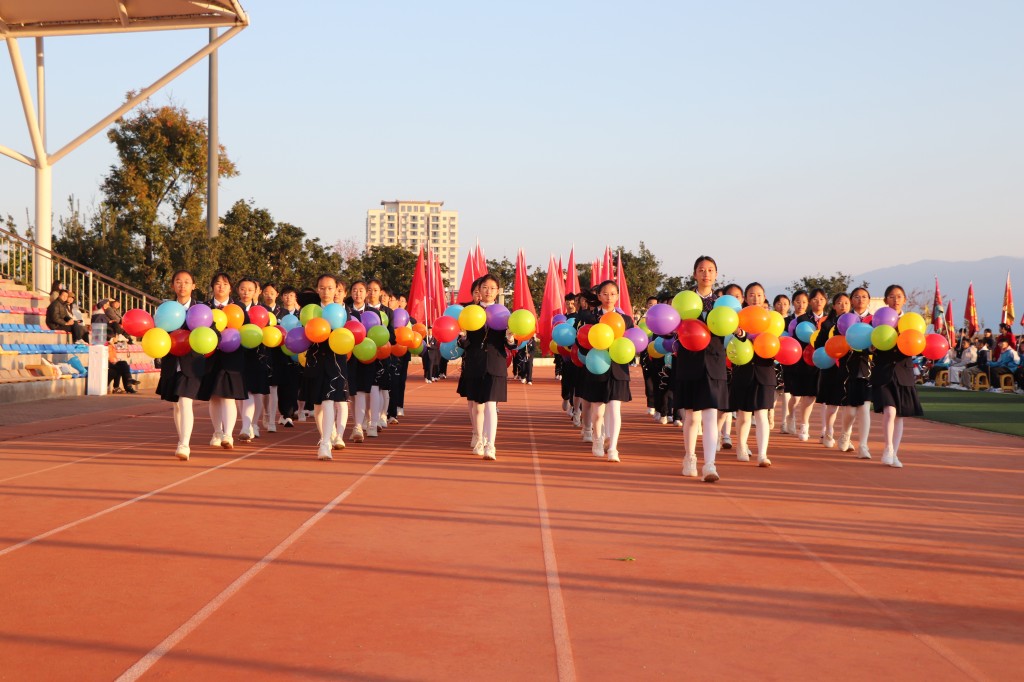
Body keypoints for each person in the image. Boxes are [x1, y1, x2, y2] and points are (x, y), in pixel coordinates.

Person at [675, 256, 727, 482]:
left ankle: (710, 464)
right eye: (702, 270)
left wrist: (741, 333)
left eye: (710, 270)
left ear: (716, 274)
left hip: (714, 361)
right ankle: (690, 457)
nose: (706, 274)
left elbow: (735, 330)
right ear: (694, 274)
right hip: (689, 361)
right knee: (691, 416)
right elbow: (671, 327)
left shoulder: (723, 304)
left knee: (710, 414)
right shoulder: (684, 301)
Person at [457, 274, 517, 460]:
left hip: (495, 363)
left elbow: (510, 345)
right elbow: (464, 344)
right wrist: (463, 337)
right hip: (475, 363)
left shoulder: (504, 314)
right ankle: (479, 438)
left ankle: (491, 445)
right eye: (485, 287)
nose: (488, 291)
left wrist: (510, 338)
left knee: (491, 405)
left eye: (492, 288)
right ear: (479, 290)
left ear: (497, 291)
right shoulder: (470, 312)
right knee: (477, 406)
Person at [155, 270, 207, 461]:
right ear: (172, 285)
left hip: (191, 363)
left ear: (193, 286)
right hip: (171, 362)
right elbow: (157, 332)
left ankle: (184, 444)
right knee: (176, 405)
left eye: (186, 282)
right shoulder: (165, 309)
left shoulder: (201, 309)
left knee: (185, 401)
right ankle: (181, 439)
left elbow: (212, 333)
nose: (182, 285)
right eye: (178, 281)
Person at [871, 284, 923, 468]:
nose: (895, 300)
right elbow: (869, 344)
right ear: (886, 300)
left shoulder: (912, 322)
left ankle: (895, 453)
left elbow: (918, 345)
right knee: (890, 411)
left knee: (900, 415)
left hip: (903, 372)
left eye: (899, 296)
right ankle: (888, 448)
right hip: (883, 372)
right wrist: (872, 346)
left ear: (905, 300)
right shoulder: (877, 320)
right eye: (892, 296)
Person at [583, 280, 634, 462]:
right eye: (605, 294)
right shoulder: (591, 318)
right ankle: (598, 439)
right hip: (598, 366)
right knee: (598, 412)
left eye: (613, 294)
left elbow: (631, 344)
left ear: (618, 296)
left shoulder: (626, 320)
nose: (609, 297)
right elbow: (583, 343)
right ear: (599, 296)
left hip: (618, 369)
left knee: (615, 408)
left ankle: (613, 447)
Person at [304, 274, 352, 459]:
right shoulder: (311, 311)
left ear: (336, 290)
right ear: (317, 289)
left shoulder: (342, 312)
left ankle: (325, 444)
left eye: (330, 288)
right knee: (318, 406)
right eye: (322, 288)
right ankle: (325, 435)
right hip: (316, 360)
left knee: (329, 399)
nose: (326, 292)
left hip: (335, 360)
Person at [198, 272, 245, 449]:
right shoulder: (204, 307)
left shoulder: (238, 308)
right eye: (218, 284)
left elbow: (245, 331)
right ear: (212, 287)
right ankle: (217, 431)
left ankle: (228, 434)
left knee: (228, 396)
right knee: (214, 397)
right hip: (210, 356)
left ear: (230, 288)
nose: (221, 287)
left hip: (232, 357)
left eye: (225, 284)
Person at [729, 282, 774, 467]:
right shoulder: (738, 318)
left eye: (759, 295)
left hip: (765, 370)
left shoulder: (772, 319)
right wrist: (740, 333)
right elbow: (735, 340)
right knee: (744, 414)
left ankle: (762, 454)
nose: (756, 298)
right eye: (751, 295)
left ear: (764, 297)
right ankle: (741, 445)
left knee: (762, 413)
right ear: (745, 298)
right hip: (744, 370)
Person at [835, 287, 873, 458]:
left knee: (864, 408)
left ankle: (863, 445)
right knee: (850, 411)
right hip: (848, 368)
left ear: (869, 300)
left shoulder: (875, 320)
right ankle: (845, 433)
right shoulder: (844, 320)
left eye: (864, 297)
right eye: (857, 296)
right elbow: (835, 342)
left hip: (867, 368)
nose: (860, 299)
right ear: (851, 300)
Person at [812, 292, 851, 448]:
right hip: (831, 367)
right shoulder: (828, 324)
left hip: (849, 368)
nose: (843, 306)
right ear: (834, 306)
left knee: (849, 405)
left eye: (846, 303)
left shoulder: (855, 323)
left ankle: (846, 436)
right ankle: (828, 432)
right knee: (832, 404)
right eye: (839, 303)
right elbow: (818, 344)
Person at [236, 277, 271, 442]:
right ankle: (246, 423)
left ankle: (251, 424)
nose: (246, 293)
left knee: (255, 392)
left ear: (256, 291)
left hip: (257, 355)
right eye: (243, 289)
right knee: (241, 393)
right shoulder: (234, 309)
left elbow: (269, 332)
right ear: (238, 290)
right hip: (238, 353)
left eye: (250, 290)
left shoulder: (262, 311)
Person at [790, 288, 827, 441]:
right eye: (815, 299)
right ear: (810, 302)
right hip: (808, 362)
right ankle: (804, 425)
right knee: (809, 395)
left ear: (826, 301)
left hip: (827, 362)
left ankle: (826, 430)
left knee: (827, 398)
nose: (818, 302)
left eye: (822, 299)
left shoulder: (830, 319)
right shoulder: (802, 320)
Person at [781, 290, 809, 434]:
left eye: (804, 302)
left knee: (807, 395)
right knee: (795, 395)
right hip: (790, 361)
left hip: (807, 361)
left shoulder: (810, 321)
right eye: (798, 301)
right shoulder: (786, 321)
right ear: (793, 303)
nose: (801, 305)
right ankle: (790, 416)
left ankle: (804, 423)